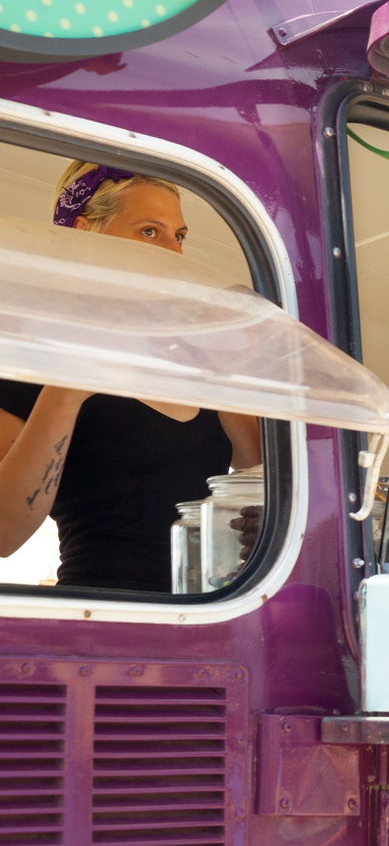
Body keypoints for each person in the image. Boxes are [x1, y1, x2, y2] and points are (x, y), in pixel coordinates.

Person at [0, 162, 262, 591]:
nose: (172, 252)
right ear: (85, 233)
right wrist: (65, 392)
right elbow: (4, 536)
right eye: (148, 231)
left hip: (212, 612)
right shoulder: (29, 356)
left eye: (178, 236)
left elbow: (259, 468)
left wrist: (226, 368)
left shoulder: (191, 355)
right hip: (109, 619)